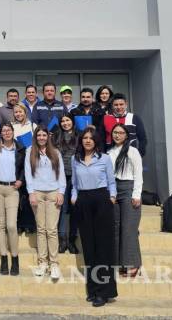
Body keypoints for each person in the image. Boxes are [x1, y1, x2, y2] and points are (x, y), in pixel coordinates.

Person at [71, 126, 117, 307]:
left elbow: (111, 182)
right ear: (81, 141)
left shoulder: (104, 158)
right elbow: (74, 183)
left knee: (103, 247)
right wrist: (74, 198)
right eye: (85, 138)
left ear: (96, 141)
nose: (88, 141)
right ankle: (93, 289)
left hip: (101, 201)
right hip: (83, 201)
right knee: (89, 247)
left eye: (91, 138)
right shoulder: (76, 159)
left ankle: (104, 292)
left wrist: (111, 198)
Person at [25, 126, 66, 280]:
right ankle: (43, 262)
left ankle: (54, 264)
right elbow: (28, 173)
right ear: (35, 137)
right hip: (37, 193)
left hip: (53, 192)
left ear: (48, 137)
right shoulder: (30, 151)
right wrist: (31, 193)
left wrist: (61, 192)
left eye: (44, 135)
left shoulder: (55, 152)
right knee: (41, 229)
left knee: (52, 230)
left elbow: (61, 173)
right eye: (39, 135)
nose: (41, 137)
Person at [108, 123, 143, 278]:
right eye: (115, 132)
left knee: (129, 228)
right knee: (116, 228)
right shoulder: (109, 152)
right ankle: (120, 264)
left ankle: (133, 265)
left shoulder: (132, 151)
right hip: (114, 190)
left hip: (129, 189)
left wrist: (136, 194)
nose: (117, 135)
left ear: (126, 135)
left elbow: (138, 174)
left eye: (121, 133)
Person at [0, 123, 25, 276]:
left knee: (11, 225)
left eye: (9, 130)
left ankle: (15, 258)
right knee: (0, 225)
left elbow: (24, 167)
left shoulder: (20, 148)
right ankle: (4, 258)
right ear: (0, 133)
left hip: (13, 190)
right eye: (4, 131)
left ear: (13, 131)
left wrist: (21, 179)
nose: (6, 133)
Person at [53, 114, 79, 254]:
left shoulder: (80, 136)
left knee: (74, 208)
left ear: (73, 122)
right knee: (62, 208)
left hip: (77, 177)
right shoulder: (55, 137)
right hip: (60, 177)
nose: (65, 123)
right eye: (62, 121)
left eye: (67, 120)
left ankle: (72, 239)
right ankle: (62, 240)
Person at [11, 103, 37, 234]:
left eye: (20, 111)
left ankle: (29, 224)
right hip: (17, 163)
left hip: (31, 162)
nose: (18, 114)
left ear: (25, 112)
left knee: (29, 194)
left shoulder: (33, 126)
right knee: (18, 195)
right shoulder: (11, 126)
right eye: (16, 112)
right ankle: (19, 223)